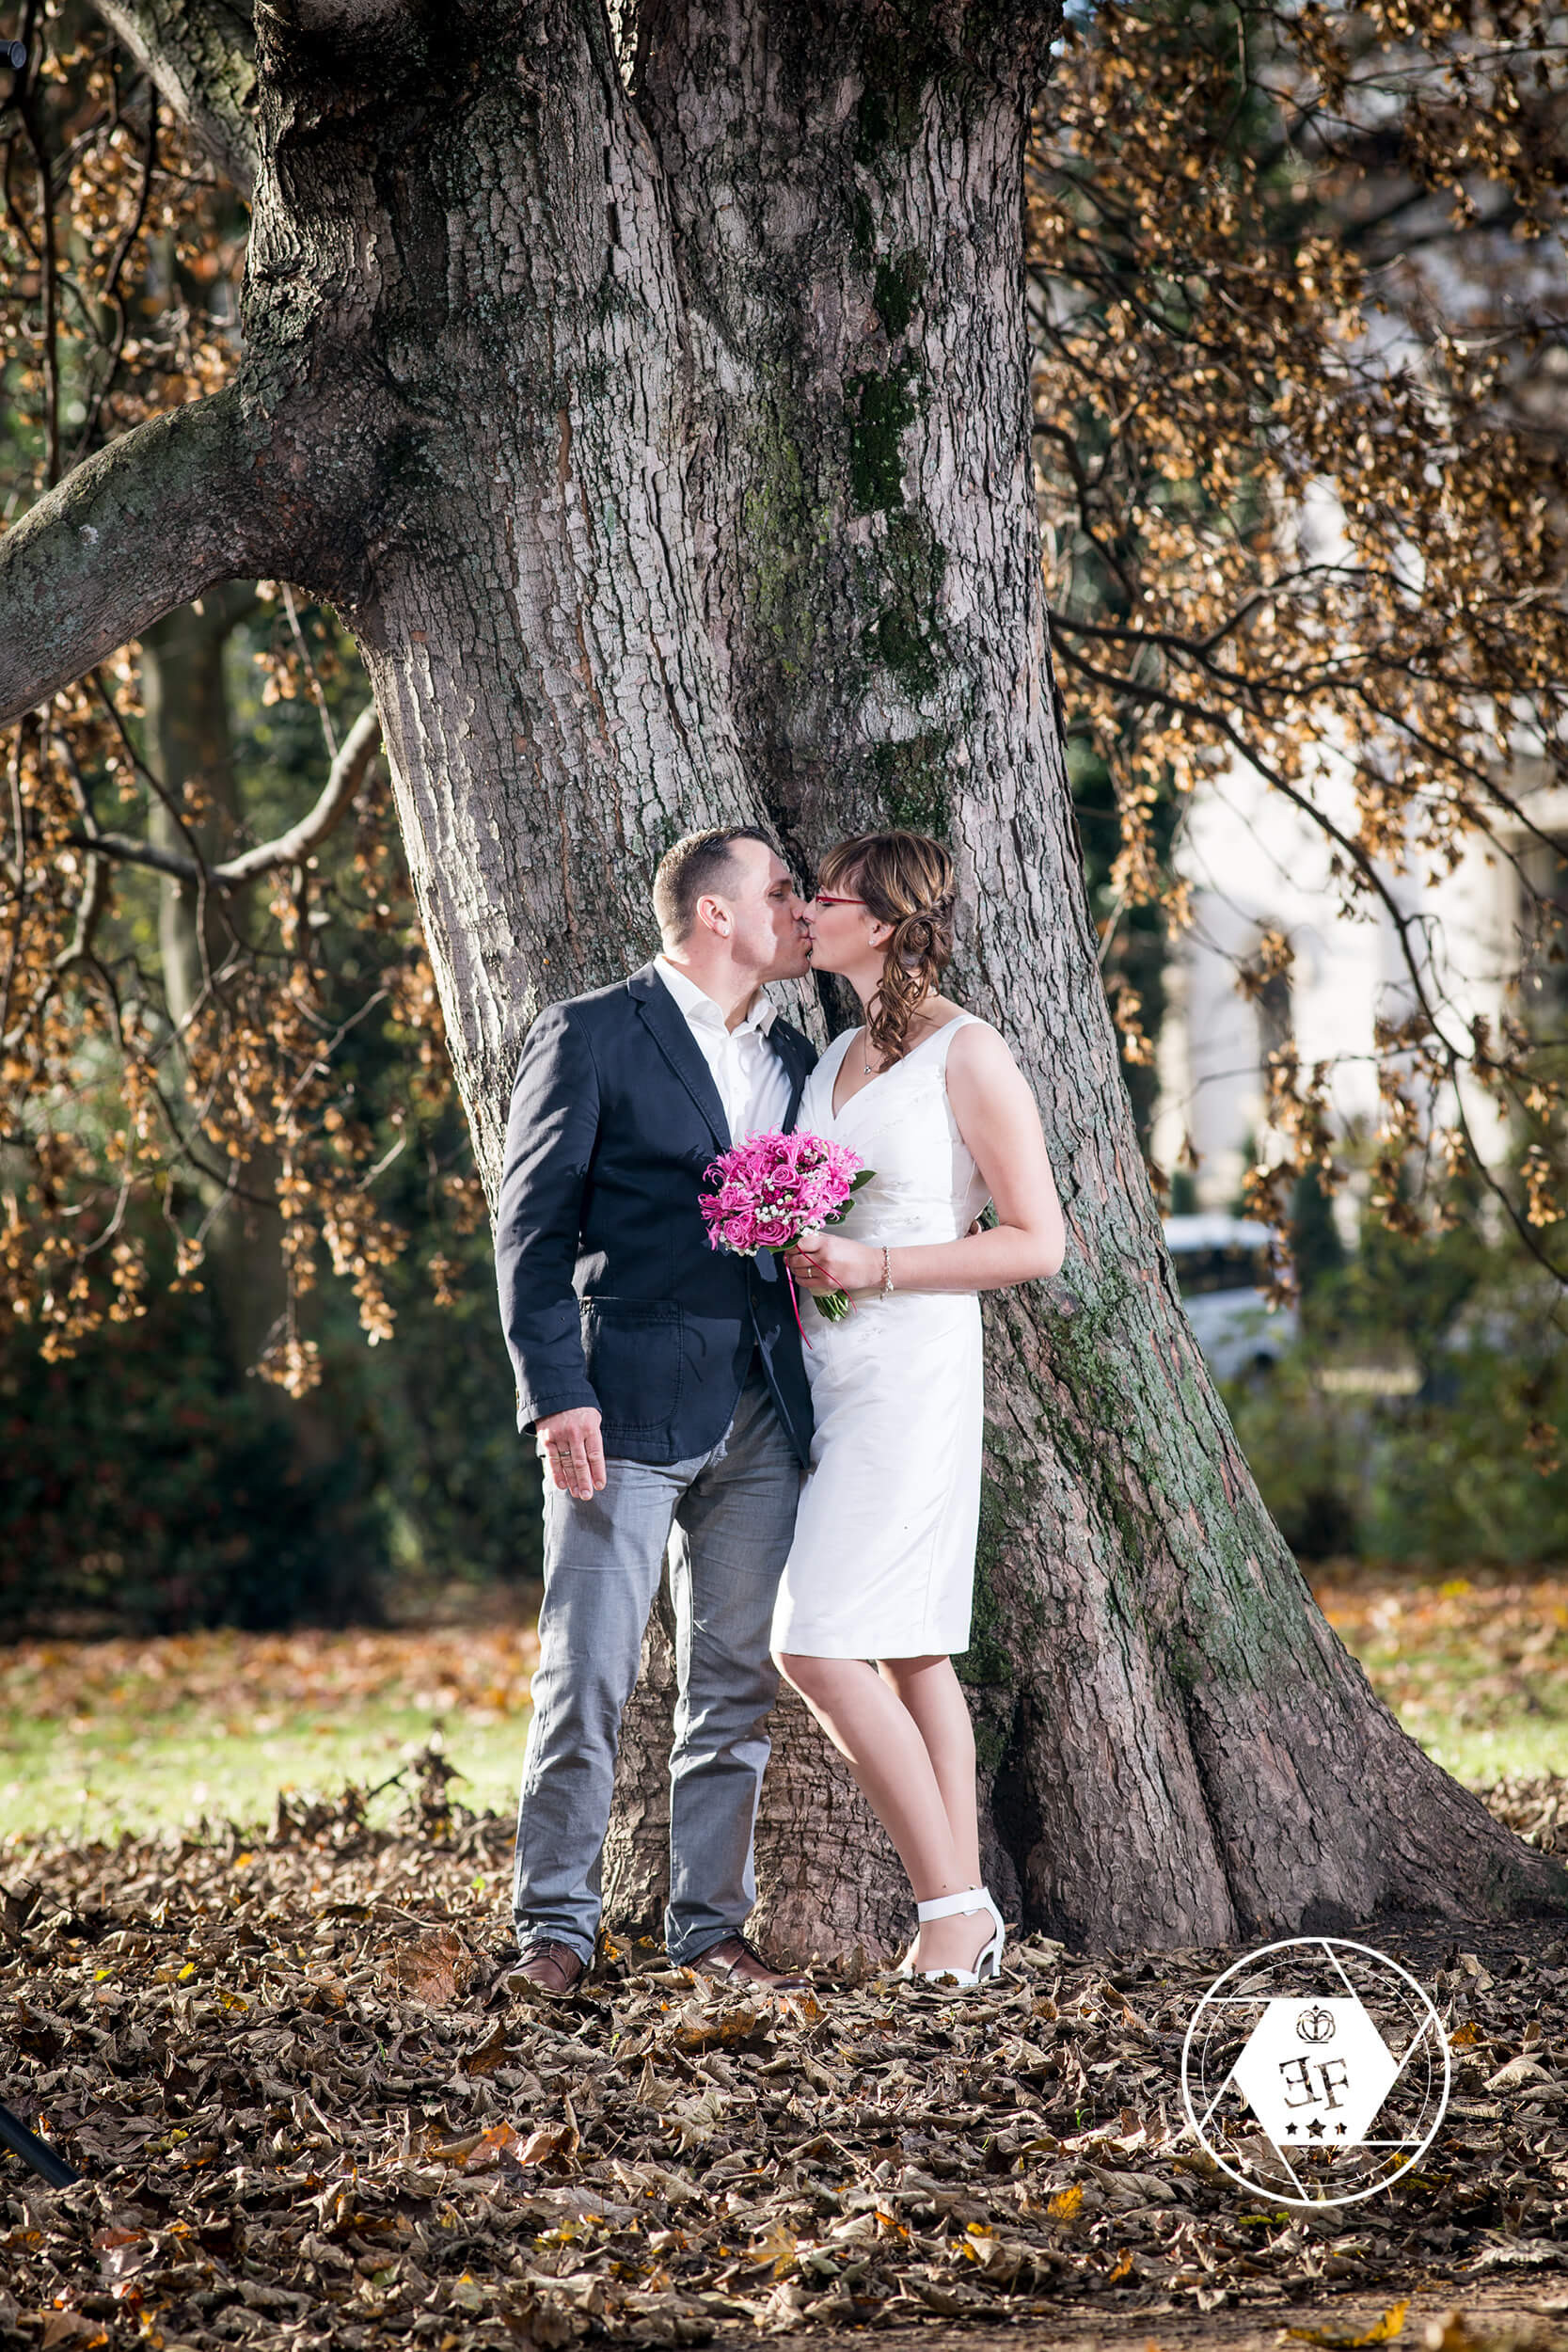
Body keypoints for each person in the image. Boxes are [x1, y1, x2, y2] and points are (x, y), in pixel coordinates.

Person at [496, 826, 819, 1994]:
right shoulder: (591, 1032)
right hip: (618, 1406)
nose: (799, 908)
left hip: (762, 1409)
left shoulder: (797, 1057)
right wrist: (554, 1396)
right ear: (715, 914)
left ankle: (705, 1930)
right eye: (778, 890)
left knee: (731, 1681)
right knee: (585, 1674)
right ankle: (554, 1933)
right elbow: (530, 1234)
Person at [774, 830, 1066, 1987]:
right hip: (822, 1371)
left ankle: (945, 1906)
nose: (806, 913)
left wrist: (875, 1269)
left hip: (907, 1370)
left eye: (827, 899)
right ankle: (971, 1915)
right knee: (907, 1650)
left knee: (814, 1642)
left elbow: (1035, 1241)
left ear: (883, 924)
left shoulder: (968, 1050)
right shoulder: (834, 1045)